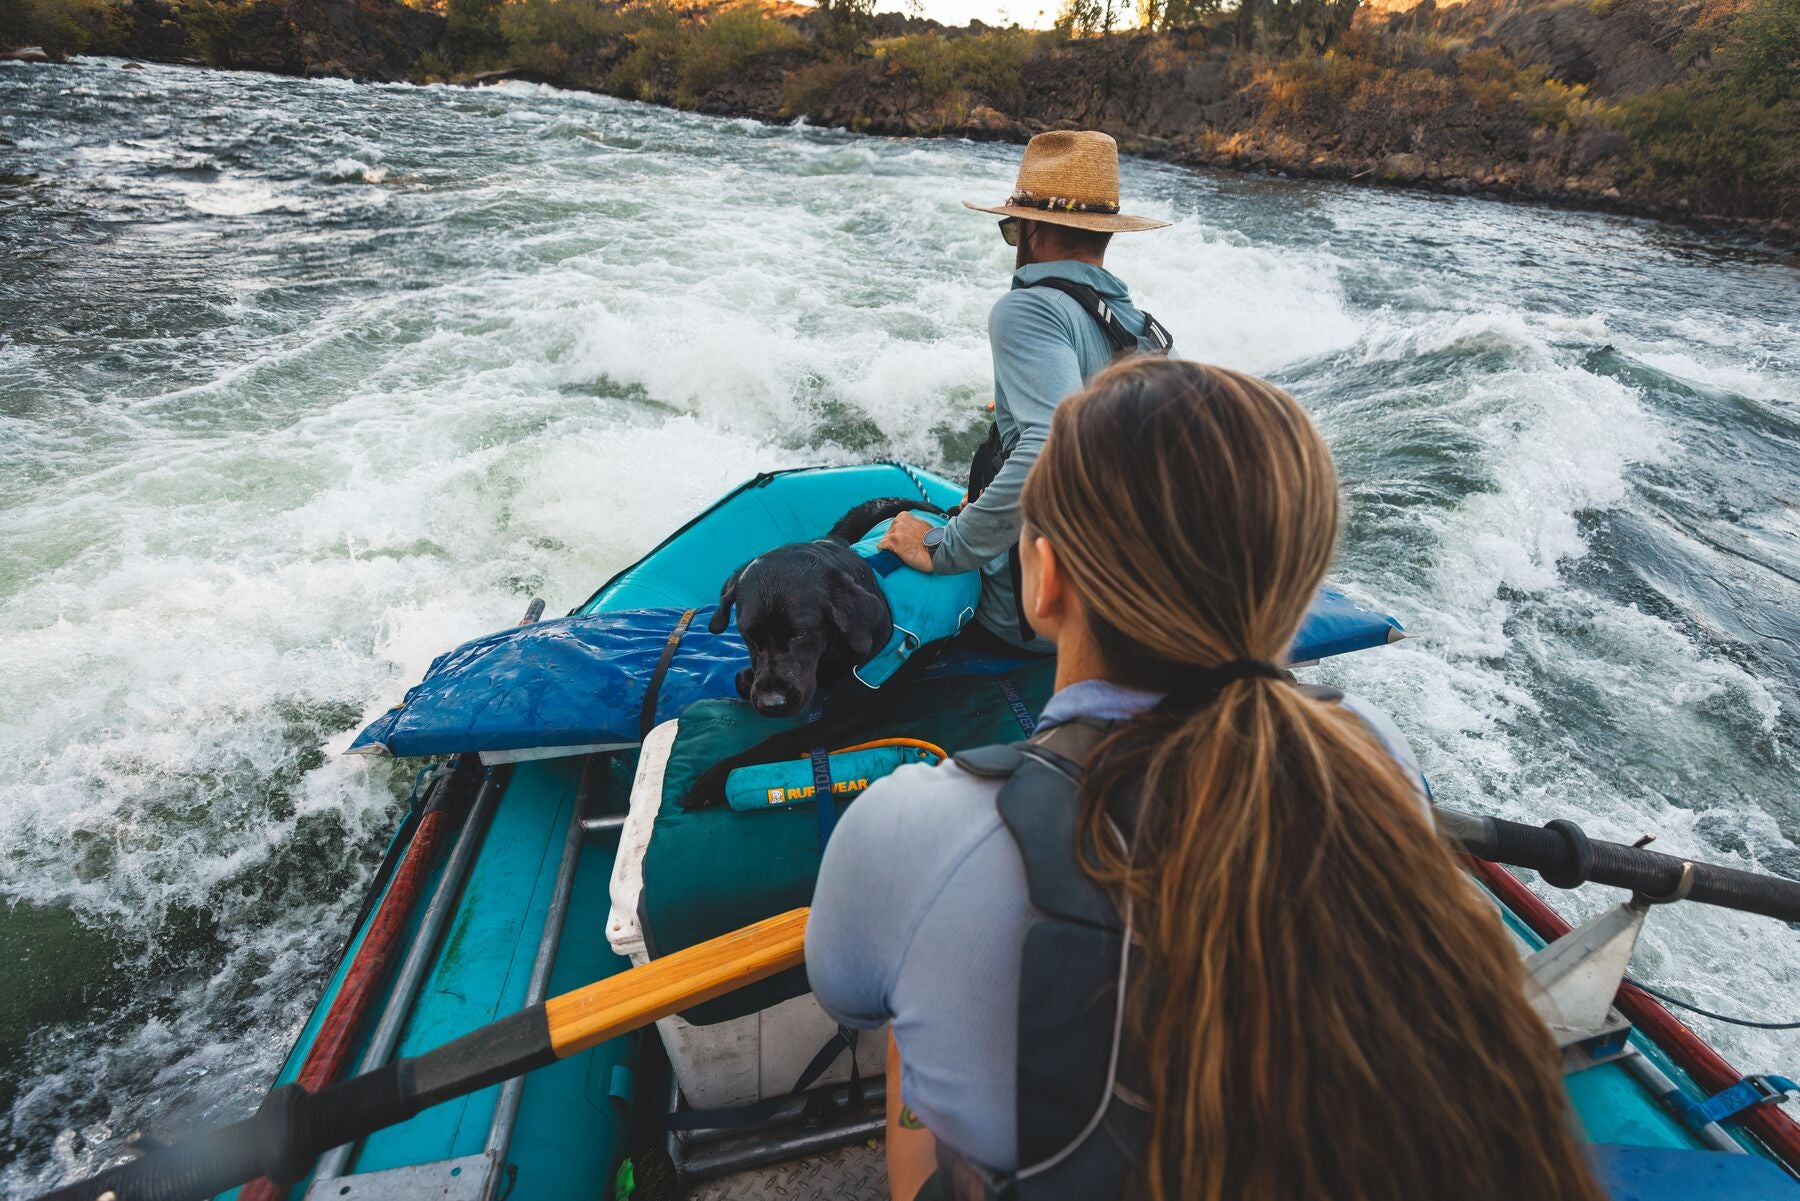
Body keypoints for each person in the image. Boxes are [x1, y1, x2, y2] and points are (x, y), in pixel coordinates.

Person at [808, 359, 1606, 1201]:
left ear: (1046, 581)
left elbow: (849, 993)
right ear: (1299, 586)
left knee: (910, 1041)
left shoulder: (916, 827)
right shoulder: (1374, 751)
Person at [878, 130, 1172, 654]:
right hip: (1123, 602)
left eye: (1011, 230)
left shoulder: (1029, 309)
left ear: (1032, 231)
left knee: (879, 540)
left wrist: (946, 546)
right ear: (1103, 236)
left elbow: (1051, 445)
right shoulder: (1141, 328)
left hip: (1035, 617)